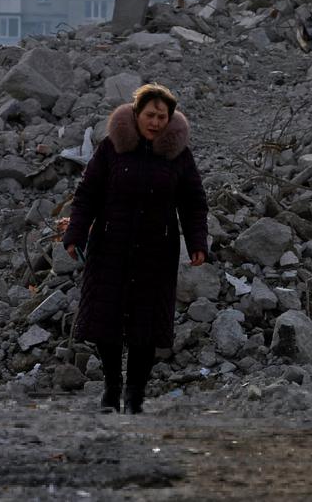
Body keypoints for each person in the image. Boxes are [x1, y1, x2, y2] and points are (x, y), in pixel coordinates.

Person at [62, 83, 209, 414]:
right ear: (136, 113)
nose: (155, 123)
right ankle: (111, 392)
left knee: (147, 326)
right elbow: (88, 193)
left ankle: (135, 396)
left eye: (162, 117)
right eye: (150, 115)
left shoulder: (178, 154)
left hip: (156, 253)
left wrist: (197, 241)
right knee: (107, 322)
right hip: (110, 248)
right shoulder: (112, 148)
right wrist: (76, 233)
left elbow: (194, 202)